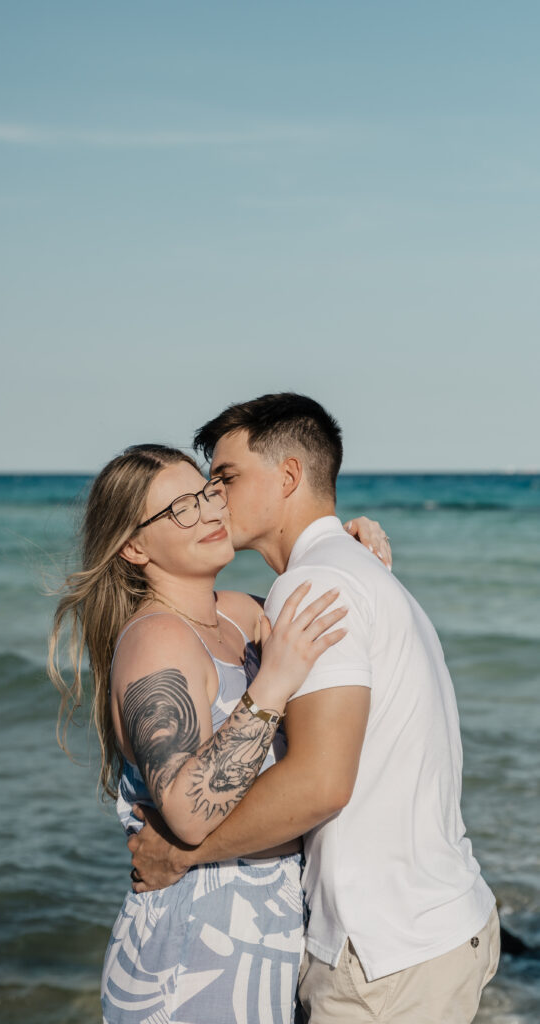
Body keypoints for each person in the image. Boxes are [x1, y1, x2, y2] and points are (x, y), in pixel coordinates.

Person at [128, 395, 500, 1024]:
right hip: (432, 924)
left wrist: (183, 853)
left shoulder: (316, 584)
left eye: (225, 478)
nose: (214, 500)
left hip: (384, 952)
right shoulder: (350, 573)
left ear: (289, 476)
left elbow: (320, 783)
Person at [47, 443, 389, 1024]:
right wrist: (272, 685)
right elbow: (186, 813)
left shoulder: (235, 613)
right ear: (134, 547)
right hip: (193, 954)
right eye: (180, 509)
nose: (209, 511)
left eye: (207, 492)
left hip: (262, 938)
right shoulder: (156, 639)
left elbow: (319, 613)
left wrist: (344, 550)